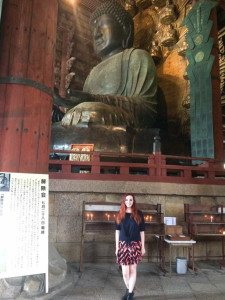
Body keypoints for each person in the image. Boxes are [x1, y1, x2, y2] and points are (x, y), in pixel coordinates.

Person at [54, 1, 159, 129]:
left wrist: (92, 100)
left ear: (126, 30)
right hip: (92, 119)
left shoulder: (136, 57)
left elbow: (146, 111)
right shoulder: (93, 73)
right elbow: (82, 110)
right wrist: (63, 108)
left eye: (102, 25)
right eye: (93, 30)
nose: (96, 34)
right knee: (58, 117)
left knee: (91, 111)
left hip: (122, 123)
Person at [115, 193, 145, 300]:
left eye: (131, 200)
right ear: (124, 201)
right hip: (123, 245)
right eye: (126, 200)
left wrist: (143, 247)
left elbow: (142, 231)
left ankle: (130, 294)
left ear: (133, 201)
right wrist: (117, 247)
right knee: (125, 272)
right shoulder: (120, 213)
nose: (128, 202)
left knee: (133, 269)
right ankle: (129, 289)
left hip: (135, 244)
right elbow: (117, 232)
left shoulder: (139, 214)